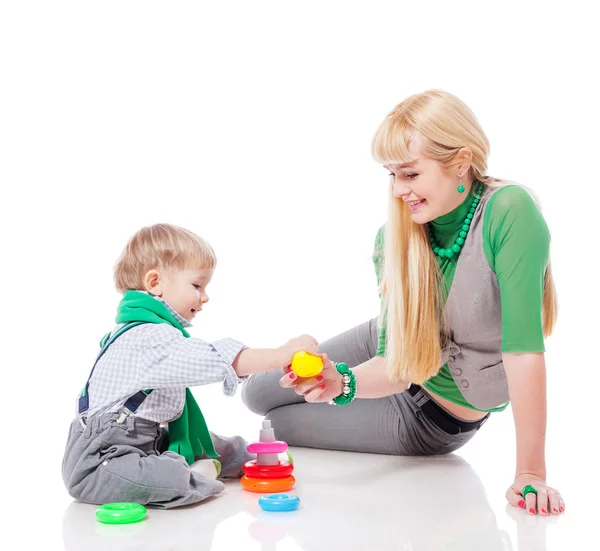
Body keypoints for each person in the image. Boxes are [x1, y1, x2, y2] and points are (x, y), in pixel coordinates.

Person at [242, 89, 565, 516]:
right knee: (256, 393)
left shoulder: (510, 212)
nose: (399, 190)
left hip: (430, 417)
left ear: (461, 162)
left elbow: (523, 353)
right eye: (392, 175)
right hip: (395, 354)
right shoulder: (393, 235)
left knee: (279, 425)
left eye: (410, 175)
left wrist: (531, 473)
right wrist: (342, 383)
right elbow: (398, 364)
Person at [62, 223, 319, 508]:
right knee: (166, 475)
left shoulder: (155, 332)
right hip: (100, 460)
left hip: (143, 438)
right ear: (155, 283)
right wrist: (280, 354)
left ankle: (244, 455)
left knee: (201, 440)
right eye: (197, 285)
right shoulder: (146, 336)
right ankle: (188, 473)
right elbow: (211, 359)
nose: (205, 296)